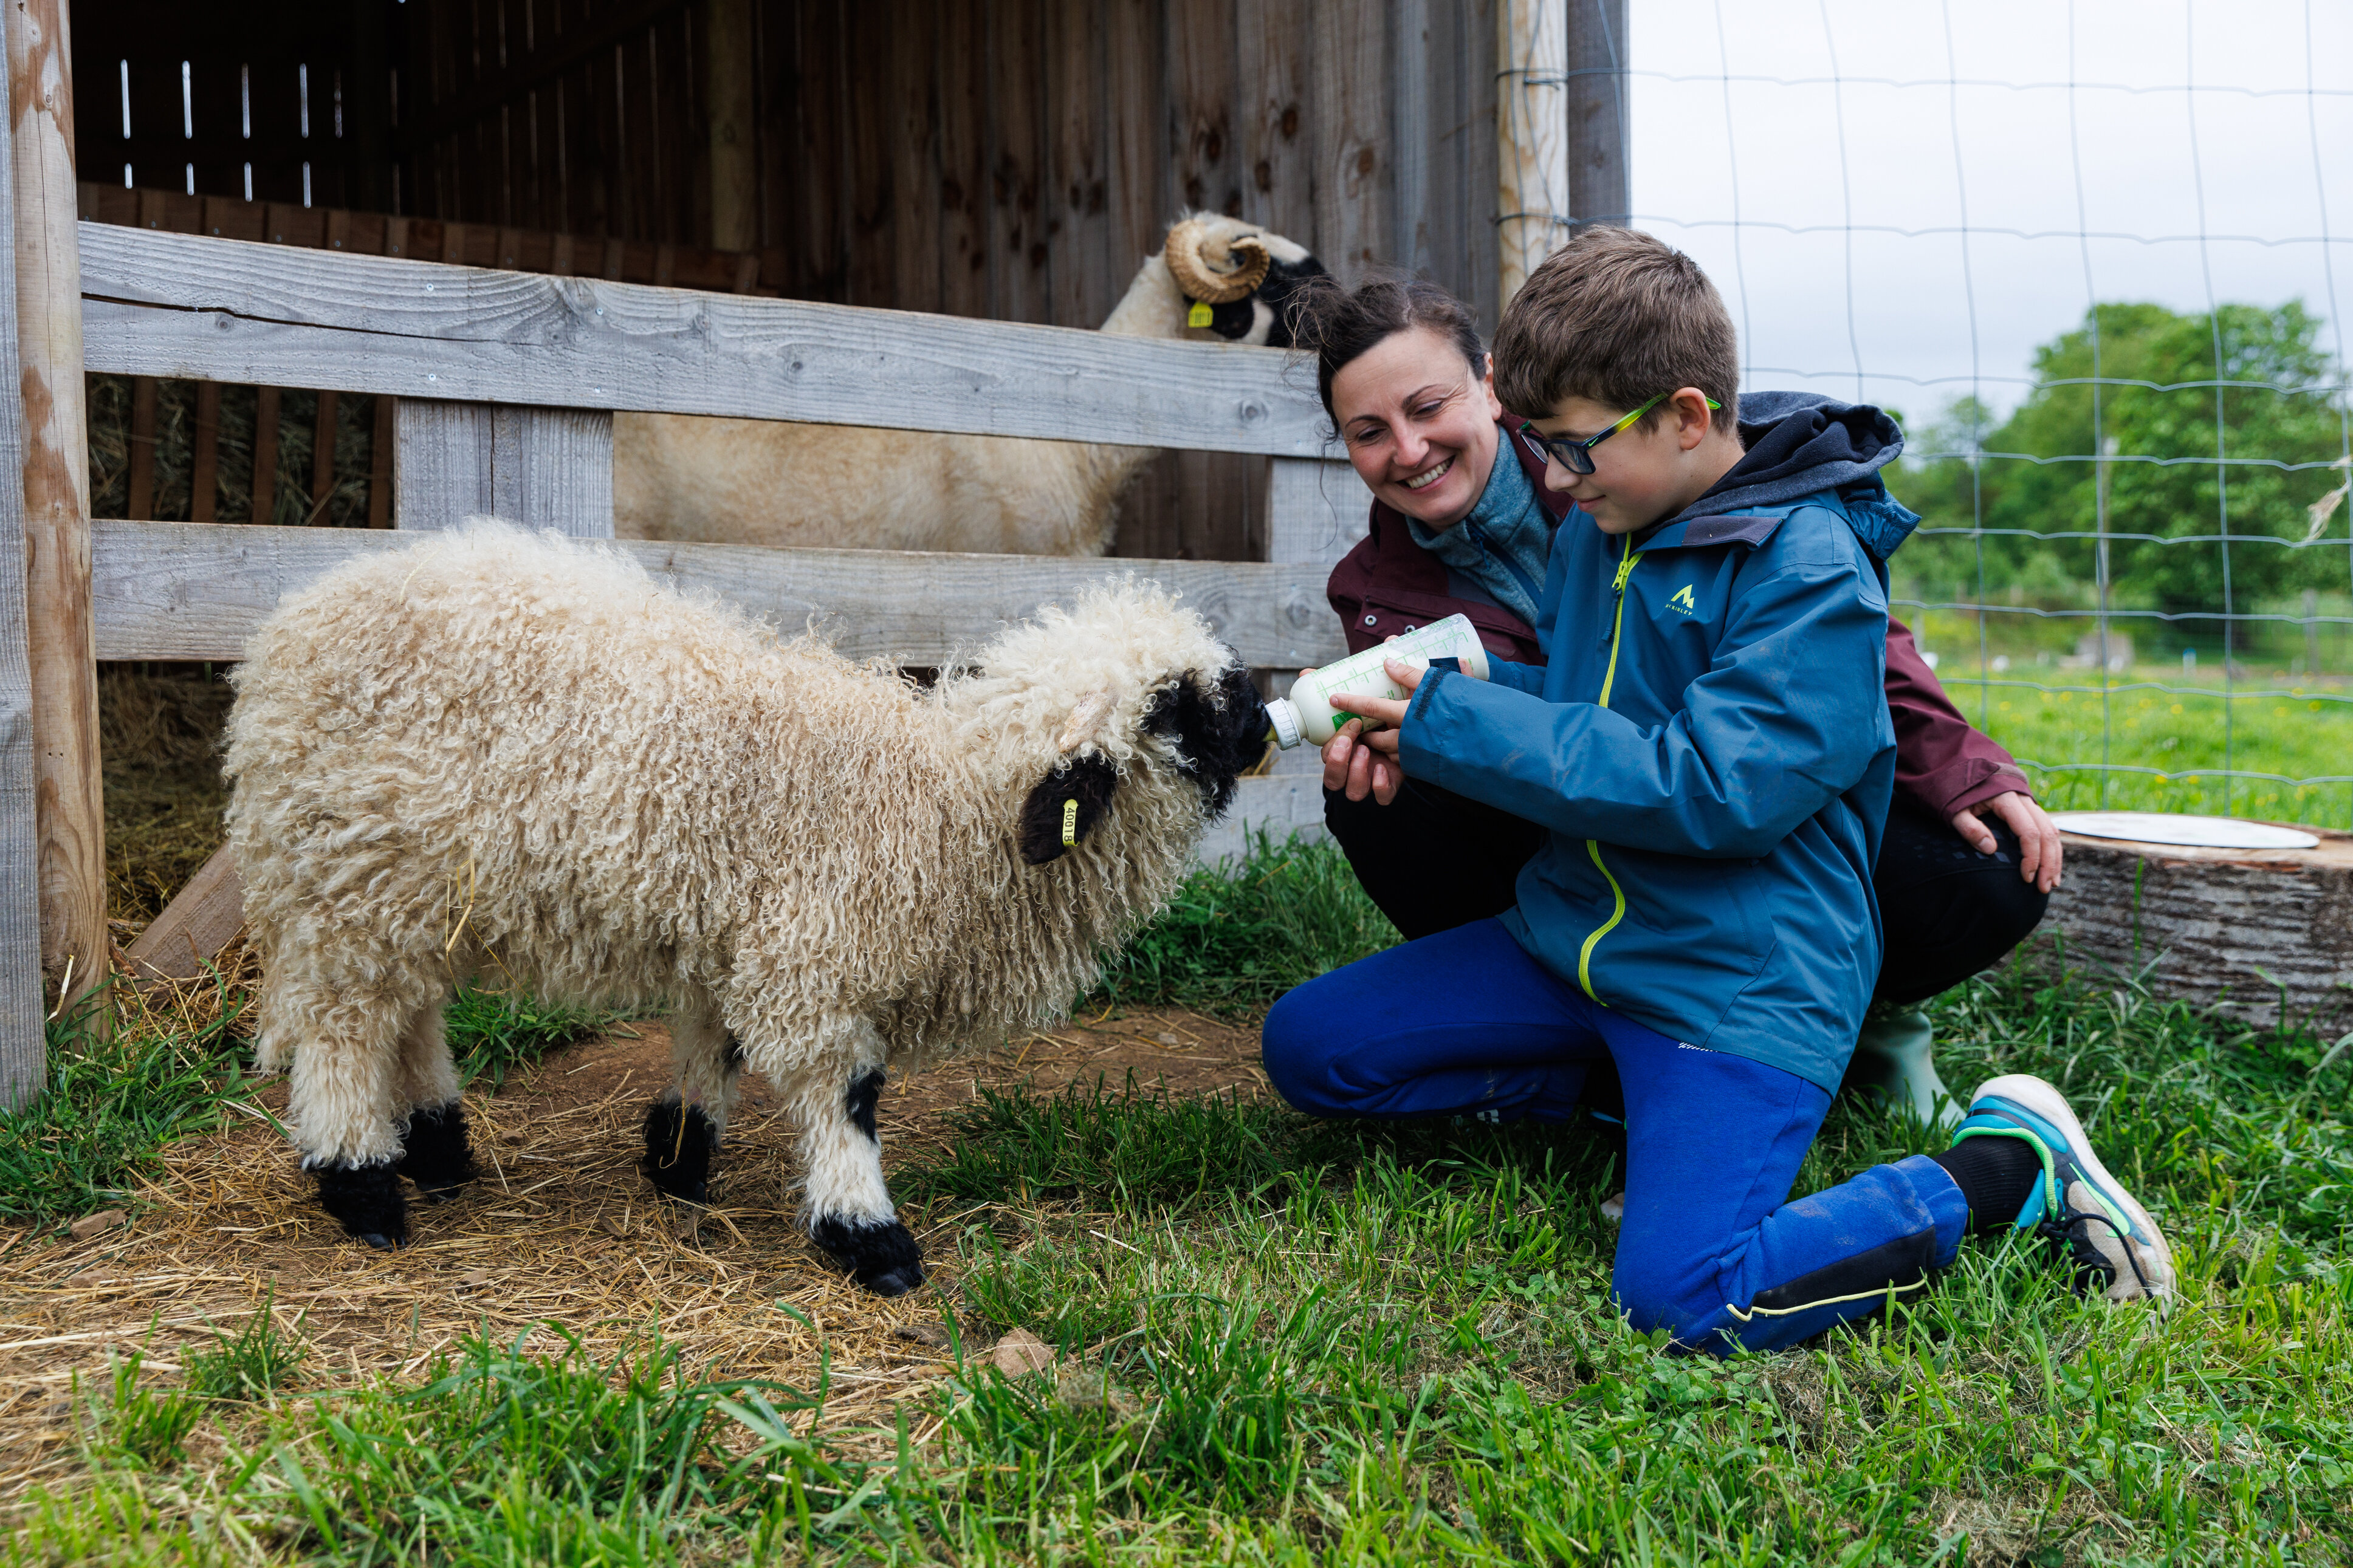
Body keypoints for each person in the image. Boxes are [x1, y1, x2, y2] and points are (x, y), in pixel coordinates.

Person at [1259, 229, 2171, 1354]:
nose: (1552, 476)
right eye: (1541, 444)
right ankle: (1640, 1110)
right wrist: (1442, 710)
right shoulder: (1612, 523)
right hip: (1580, 936)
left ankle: (2005, 1168)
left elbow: (1717, 782)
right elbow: (1612, 712)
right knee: (1313, 1048)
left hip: (1736, 978)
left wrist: (1463, 719)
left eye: (1576, 449)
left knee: (1686, 1296)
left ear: (1686, 416)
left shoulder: (1811, 563)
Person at [1297, 271, 2055, 1130]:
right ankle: (1596, 1048)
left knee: (1986, 869)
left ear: (1489, 380)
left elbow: (1825, 656)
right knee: (1378, 804)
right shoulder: (1386, 590)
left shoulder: (1628, 464)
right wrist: (1414, 740)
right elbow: (1530, 732)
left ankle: (1855, 1029)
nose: (1407, 448)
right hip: (1589, 842)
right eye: (1368, 432)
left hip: (1724, 817)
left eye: (1427, 404)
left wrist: (1961, 763)